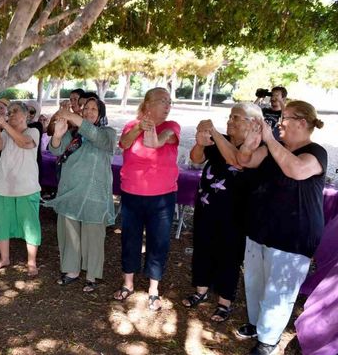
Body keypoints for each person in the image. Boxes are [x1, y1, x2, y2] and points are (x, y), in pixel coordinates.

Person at [235, 101, 326, 355]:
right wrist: (250, 143)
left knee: (279, 291)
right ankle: (256, 324)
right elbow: (245, 161)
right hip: (260, 229)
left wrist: (269, 139)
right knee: (255, 281)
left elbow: (295, 170)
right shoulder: (274, 149)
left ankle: (268, 340)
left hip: (293, 236)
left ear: (302, 122)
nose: (279, 122)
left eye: (285, 117)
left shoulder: (316, 152)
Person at [181, 103, 263, 322]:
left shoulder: (257, 147)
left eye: (236, 117)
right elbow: (196, 158)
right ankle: (201, 290)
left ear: (253, 123)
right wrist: (200, 143)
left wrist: (215, 133)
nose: (230, 121)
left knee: (230, 255)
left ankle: (225, 301)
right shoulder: (220, 141)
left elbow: (236, 160)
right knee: (203, 247)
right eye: (230, 116)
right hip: (207, 208)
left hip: (236, 214)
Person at [113, 87, 180, 312]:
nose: (168, 105)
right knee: (129, 239)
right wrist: (139, 127)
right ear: (147, 104)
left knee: (158, 242)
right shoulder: (131, 126)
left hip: (162, 197)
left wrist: (150, 131)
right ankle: (128, 283)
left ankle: (153, 289)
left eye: (169, 102)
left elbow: (157, 142)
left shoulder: (172, 127)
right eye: (162, 101)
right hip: (132, 194)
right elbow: (123, 143)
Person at [45, 97, 116, 292]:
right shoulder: (73, 134)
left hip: (94, 195)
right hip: (70, 192)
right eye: (87, 109)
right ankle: (71, 270)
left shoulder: (108, 133)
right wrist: (58, 136)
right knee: (69, 234)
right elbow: (55, 150)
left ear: (101, 114)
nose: (90, 112)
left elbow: (96, 136)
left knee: (93, 235)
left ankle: (92, 275)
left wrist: (70, 116)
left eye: (95, 109)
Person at [0, 102, 41, 276]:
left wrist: (4, 125)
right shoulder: (6, 132)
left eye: (15, 111)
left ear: (26, 115)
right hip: (4, 187)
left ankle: (31, 262)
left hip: (27, 187)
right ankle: (4, 259)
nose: (11, 114)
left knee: (31, 226)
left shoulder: (33, 131)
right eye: (9, 112)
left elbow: (24, 142)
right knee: (1, 224)